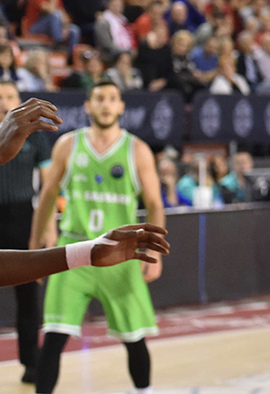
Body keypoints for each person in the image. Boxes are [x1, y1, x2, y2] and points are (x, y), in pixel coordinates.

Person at [30, 81, 165, 394]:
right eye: (99, 98)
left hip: (120, 255)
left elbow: (155, 205)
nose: (106, 104)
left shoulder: (137, 149)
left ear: (121, 107)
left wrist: (155, 253)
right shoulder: (68, 144)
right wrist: (36, 243)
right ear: (88, 106)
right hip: (73, 251)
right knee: (53, 336)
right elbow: (47, 196)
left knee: (134, 338)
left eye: (112, 99)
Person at [0, 81, 53, 382]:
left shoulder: (35, 136)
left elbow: (49, 185)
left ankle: (31, 363)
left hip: (23, 218)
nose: (3, 102)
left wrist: (49, 227)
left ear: (19, 101)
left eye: (9, 96)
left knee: (28, 294)